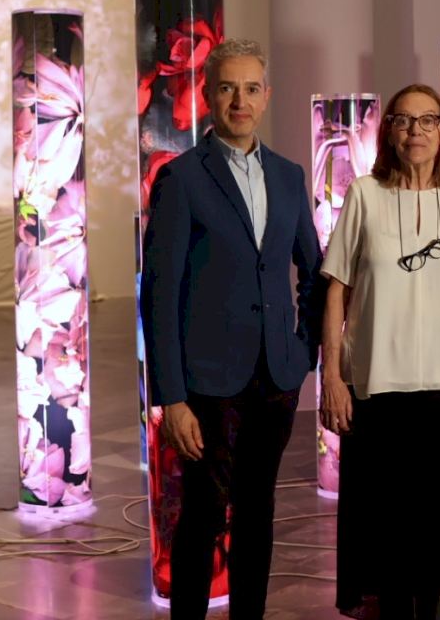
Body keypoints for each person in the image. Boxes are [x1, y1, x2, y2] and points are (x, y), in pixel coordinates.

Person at [140, 38, 324, 620]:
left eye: (250, 89)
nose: (239, 101)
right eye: (227, 88)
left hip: (276, 377)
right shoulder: (181, 178)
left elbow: (313, 272)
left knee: (257, 514)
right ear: (207, 95)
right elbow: (159, 295)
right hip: (206, 385)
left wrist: (304, 352)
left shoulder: (290, 177)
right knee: (200, 517)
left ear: (266, 96)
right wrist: (171, 398)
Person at [319, 83, 440, 619]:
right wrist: (332, 377)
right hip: (375, 389)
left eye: (428, 120)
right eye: (403, 121)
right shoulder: (365, 195)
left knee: (439, 534)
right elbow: (336, 289)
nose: (415, 131)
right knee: (383, 534)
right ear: (388, 132)